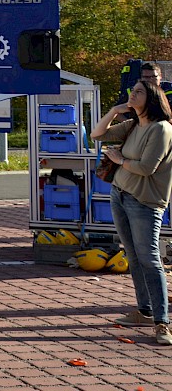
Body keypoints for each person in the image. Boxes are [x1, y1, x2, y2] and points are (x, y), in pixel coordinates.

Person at [90, 78, 172, 346]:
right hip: (120, 195)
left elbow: (147, 168)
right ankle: (144, 311)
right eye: (132, 91)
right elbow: (97, 134)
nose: (132, 95)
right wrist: (114, 112)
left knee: (150, 259)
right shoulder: (134, 124)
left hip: (145, 201)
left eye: (137, 92)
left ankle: (162, 322)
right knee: (134, 257)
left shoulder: (160, 129)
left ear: (151, 98)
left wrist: (119, 160)